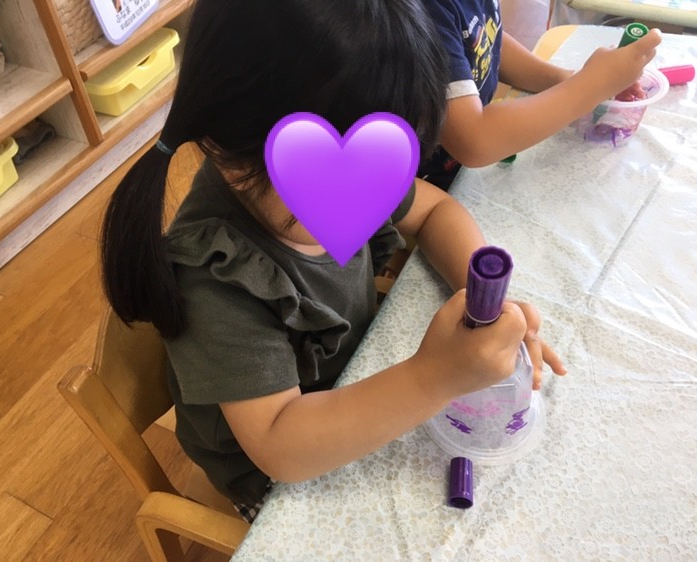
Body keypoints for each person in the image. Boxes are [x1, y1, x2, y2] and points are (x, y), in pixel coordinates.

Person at [101, 0, 566, 521]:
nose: (367, 195)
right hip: (277, 471)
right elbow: (281, 448)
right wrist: (433, 377)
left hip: (355, 380)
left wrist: (484, 300)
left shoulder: (338, 160)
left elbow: (436, 210)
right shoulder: (218, 280)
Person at [418, 0, 662, 190]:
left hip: (467, 168)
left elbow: (481, 39)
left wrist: (563, 79)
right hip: (429, 188)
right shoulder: (424, 12)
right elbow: (473, 142)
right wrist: (591, 85)